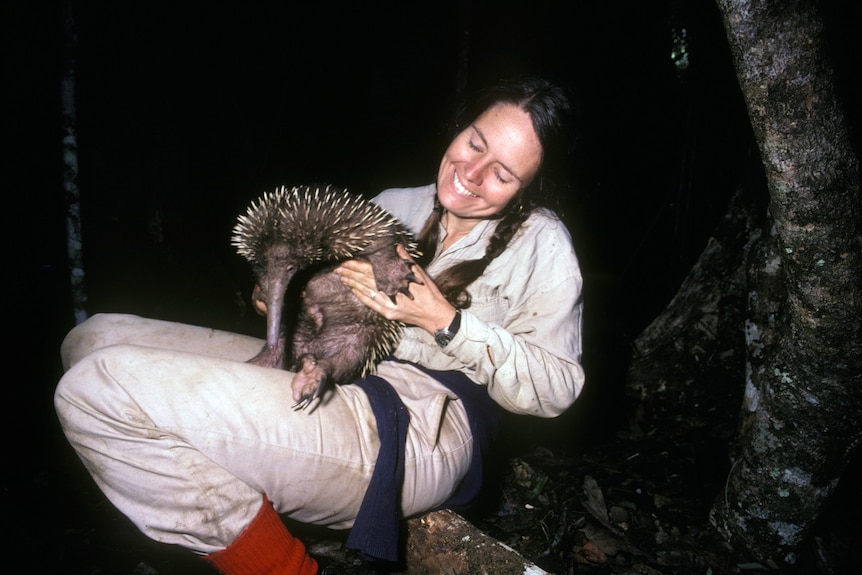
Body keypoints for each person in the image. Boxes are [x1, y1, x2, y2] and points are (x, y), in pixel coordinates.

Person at [54, 76, 585, 575]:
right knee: (93, 340)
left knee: (95, 391)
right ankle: (237, 505)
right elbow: (320, 292)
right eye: (475, 143)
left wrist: (441, 318)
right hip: (325, 363)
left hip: (423, 420)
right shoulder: (397, 203)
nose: (471, 173)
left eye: (502, 173)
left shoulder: (542, 243)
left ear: (527, 189)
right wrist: (280, 296)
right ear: (460, 128)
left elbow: (557, 391)